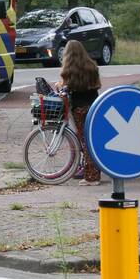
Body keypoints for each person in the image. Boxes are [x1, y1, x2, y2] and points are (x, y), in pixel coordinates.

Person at [56, 39, 102, 184]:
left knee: (85, 142)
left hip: (80, 109)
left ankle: (92, 177)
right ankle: (93, 170)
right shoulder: (92, 67)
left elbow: (66, 88)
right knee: (93, 140)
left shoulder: (69, 70)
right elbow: (96, 85)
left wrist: (60, 86)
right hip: (95, 106)